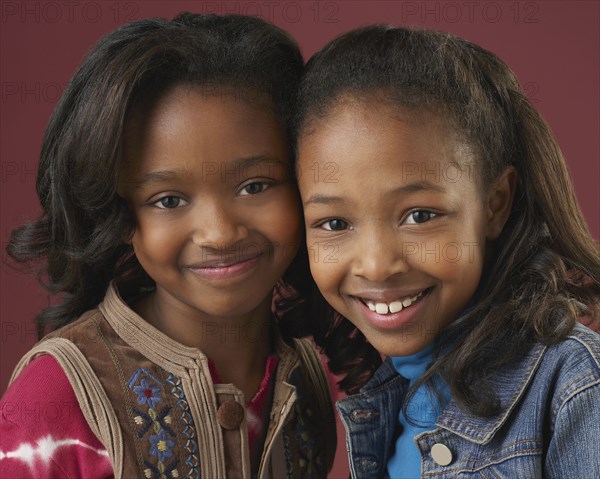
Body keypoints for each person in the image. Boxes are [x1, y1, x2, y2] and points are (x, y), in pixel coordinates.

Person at [0, 13, 335, 479]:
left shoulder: (312, 377)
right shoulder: (55, 396)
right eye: (168, 200)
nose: (219, 233)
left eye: (256, 186)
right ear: (118, 215)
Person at [295, 25, 600, 478]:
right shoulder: (388, 404)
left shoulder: (574, 387)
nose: (377, 264)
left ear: (494, 204)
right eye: (335, 224)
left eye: (420, 215)